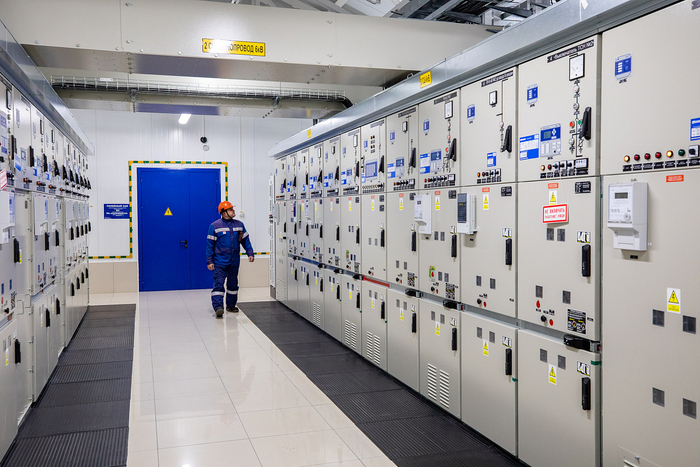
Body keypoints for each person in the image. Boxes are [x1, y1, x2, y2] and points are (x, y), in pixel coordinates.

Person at [206, 201, 254, 318]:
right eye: (231, 209)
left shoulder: (239, 225)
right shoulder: (215, 226)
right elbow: (210, 245)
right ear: (224, 212)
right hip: (219, 261)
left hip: (234, 261)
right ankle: (218, 307)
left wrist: (250, 253)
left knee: (233, 285)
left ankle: (231, 305)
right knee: (219, 285)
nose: (233, 211)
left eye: (232, 209)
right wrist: (210, 261)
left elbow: (245, 240)